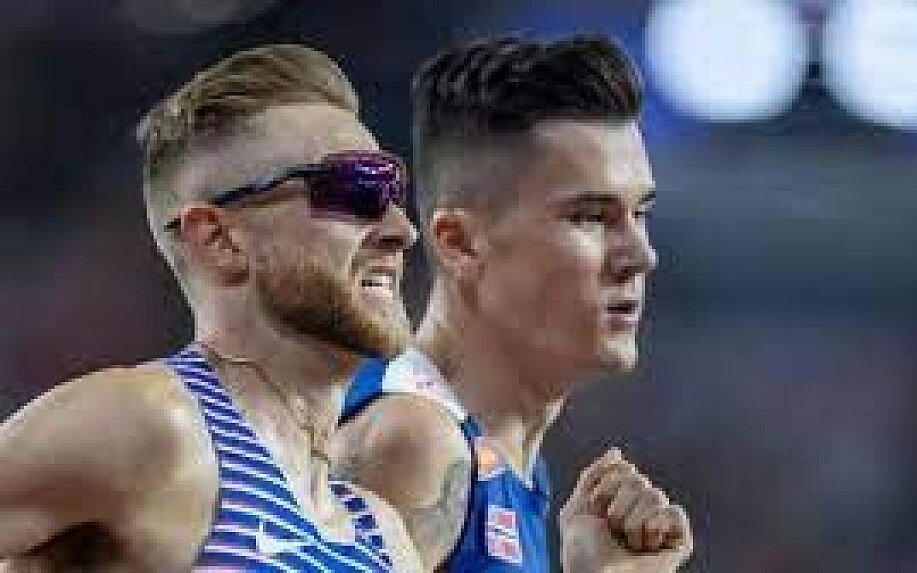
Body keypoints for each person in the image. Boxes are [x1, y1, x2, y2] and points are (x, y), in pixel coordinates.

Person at [0, 44, 424, 571]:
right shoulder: (150, 426)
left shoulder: (386, 539)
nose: (402, 231)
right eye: (356, 188)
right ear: (219, 240)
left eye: (393, 192)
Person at [335, 35, 694, 571]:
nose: (641, 255)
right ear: (460, 243)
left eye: (639, 213)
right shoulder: (414, 444)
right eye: (590, 217)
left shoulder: (502, 461)